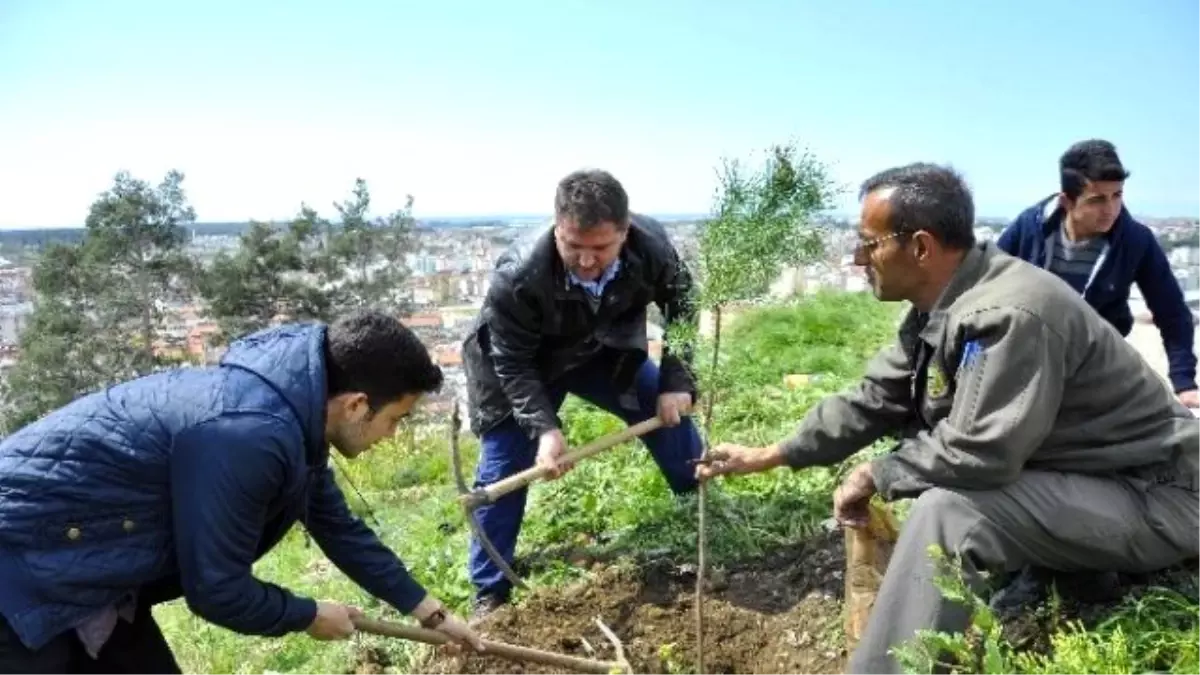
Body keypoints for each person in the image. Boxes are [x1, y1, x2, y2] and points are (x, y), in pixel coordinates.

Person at [696, 162, 1200, 675]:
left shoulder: (1009, 313)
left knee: (950, 514)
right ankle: (1072, 571)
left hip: (1160, 494)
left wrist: (877, 472)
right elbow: (877, 397)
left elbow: (982, 451)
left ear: (920, 246)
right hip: (1099, 482)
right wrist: (771, 455)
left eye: (869, 244)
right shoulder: (945, 302)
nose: (857, 259)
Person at [0, 311, 485, 674]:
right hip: (20, 577)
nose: (392, 437)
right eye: (395, 420)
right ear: (358, 405)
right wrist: (307, 615)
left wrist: (430, 613)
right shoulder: (249, 435)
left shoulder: (294, 415)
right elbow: (216, 591)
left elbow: (338, 527)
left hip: (89, 578)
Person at [461, 168, 704, 621]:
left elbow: (683, 309)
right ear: (557, 228)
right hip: (525, 365)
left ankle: (700, 503)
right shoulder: (518, 275)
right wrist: (545, 430)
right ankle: (490, 589)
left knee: (665, 413)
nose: (587, 260)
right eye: (574, 247)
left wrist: (676, 381)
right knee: (503, 464)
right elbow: (511, 362)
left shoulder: (652, 249)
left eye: (601, 248)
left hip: (601, 348)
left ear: (625, 232)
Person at [997, 139, 1199, 406]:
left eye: (1117, 196)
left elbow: (1171, 311)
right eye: (1097, 200)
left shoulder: (1135, 240)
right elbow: (987, 286)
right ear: (1067, 202)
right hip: (1028, 357)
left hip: (1096, 363)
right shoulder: (1030, 228)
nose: (1111, 210)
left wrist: (1184, 382)